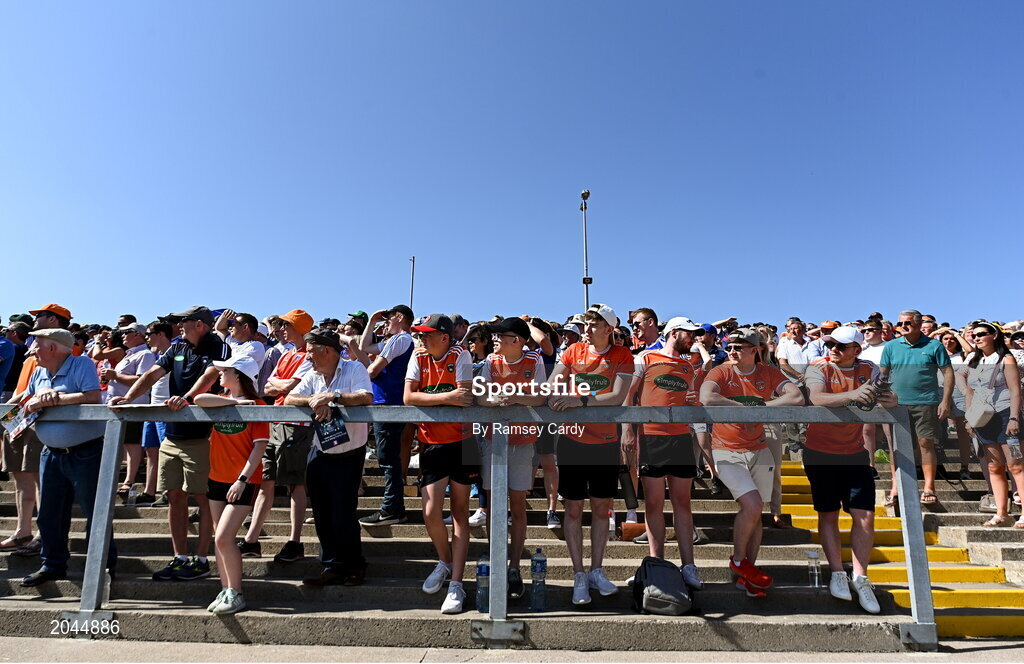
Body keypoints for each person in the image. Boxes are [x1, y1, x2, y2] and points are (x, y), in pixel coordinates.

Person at [109, 305, 229, 581]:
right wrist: (129, 398)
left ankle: (200, 558)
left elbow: (211, 375)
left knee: (203, 497)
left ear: (200, 324)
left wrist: (186, 397)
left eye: (183, 321)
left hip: (203, 435)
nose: (178, 326)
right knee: (174, 496)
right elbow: (152, 375)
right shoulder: (176, 347)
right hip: (173, 434)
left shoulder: (217, 345)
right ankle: (180, 557)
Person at [699, 328, 803, 598]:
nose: (732, 351)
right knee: (753, 505)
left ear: (755, 350)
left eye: (739, 347)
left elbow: (796, 397)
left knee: (757, 513)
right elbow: (706, 397)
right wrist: (743, 407)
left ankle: (748, 573)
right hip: (726, 450)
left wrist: (764, 409)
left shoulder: (768, 372)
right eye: (730, 346)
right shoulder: (722, 370)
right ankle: (737, 560)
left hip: (758, 448)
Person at [12, 329, 115, 587]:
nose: (33, 350)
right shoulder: (38, 371)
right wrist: (35, 398)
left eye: (37, 346)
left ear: (53, 348)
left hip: (86, 452)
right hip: (52, 453)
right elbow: (26, 403)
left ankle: (103, 567)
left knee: (96, 512)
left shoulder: (82, 363)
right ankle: (52, 565)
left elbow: (92, 397)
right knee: (49, 514)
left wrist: (54, 399)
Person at [546, 303, 634, 606]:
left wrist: (579, 400)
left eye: (594, 323)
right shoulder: (572, 352)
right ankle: (579, 574)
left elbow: (617, 396)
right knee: (572, 510)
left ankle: (597, 570)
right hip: (572, 440)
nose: (587, 327)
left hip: (606, 442)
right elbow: (553, 381)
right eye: (586, 323)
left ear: (609, 329)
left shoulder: (622, 355)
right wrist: (555, 391)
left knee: (601, 509)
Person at [804, 326, 893, 614]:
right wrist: (856, 394)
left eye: (842, 346)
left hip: (855, 452)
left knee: (865, 516)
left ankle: (860, 576)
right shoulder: (818, 366)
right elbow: (817, 398)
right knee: (828, 514)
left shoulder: (870, 368)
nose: (834, 349)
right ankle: (836, 572)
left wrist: (888, 399)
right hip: (820, 451)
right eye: (831, 344)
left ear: (857, 349)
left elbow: (890, 398)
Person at [286, 329, 374, 587]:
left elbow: (365, 396)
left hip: (350, 452)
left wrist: (333, 397)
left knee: (343, 513)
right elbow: (291, 397)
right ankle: (331, 566)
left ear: (327, 350)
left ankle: (355, 565)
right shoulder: (312, 375)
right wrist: (315, 400)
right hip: (320, 451)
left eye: (311, 351)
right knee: (323, 513)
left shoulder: (354, 368)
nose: (307, 356)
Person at [403, 314, 476, 613]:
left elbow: (466, 397)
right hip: (431, 442)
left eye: (428, 334)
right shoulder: (418, 357)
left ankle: (457, 582)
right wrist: (447, 397)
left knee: (459, 511)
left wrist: (431, 398)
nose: (422, 339)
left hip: (462, 442)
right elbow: (408, 398)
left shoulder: (462, 354)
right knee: (431, 512)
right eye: (420, 334)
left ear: (445, 337)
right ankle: (444, 561)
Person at [628, 316, 706, 590]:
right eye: (690, 334)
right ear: (674, 333)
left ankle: (689, 566)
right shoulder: (646, 357)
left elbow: (692, 400)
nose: (694, 338)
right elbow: (630, 395)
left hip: (681, 438)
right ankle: (655, 564)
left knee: (683, 503)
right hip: (651, 438)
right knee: (653, 503)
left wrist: (694, 405)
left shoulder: (688, 365)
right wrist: (628, 430)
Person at [476, 316, 547, 599]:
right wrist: (493, 399)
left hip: (523, 442)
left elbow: (540, 396)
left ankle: (514, 567)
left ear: (516, 340)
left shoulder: (534, 361)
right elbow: (481, 395)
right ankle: (497, 564)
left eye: (500, 335)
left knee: (518, 505)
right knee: (494, 506)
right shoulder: (492, 361)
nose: (494, 339)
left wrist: (514, 396)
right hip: (494, 442)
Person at [195, 355, 269, 614]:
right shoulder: (223, 401)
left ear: (238, 375)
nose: (220, 375)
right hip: (217, 478)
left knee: (226, 536)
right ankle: (225, 589)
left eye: (225, 371)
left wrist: (242, 479)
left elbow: (259, 448)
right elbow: (198, 399)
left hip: (242, 481)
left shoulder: (258, 405)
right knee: (219, 539)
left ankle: (236, 592)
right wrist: (235, 401)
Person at [241, 309, 315, 561]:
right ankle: (251, 540)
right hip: (276, 420)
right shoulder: (287, 354)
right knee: (266, 481)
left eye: (287, 325)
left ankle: (295, 542)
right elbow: (269, 386)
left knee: (295, 483)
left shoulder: (308, 354)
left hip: (296, 424)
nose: (282, 329)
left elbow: (288, 386)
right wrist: (283, 384)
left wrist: (282, 384)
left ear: (300, 328)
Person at [878, 310, 954, 505]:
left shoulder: (934, 345)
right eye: (900, 323)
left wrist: (945, 400)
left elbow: (948, 373)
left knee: (926, 443)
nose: (903, 326)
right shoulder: (891, 346)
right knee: (898, 447)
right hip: (896, 404)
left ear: (919, 324)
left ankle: (929, 487)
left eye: (908, 323)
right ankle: (896, 486)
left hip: (926, 402)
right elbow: (882, 376)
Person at [356, 305, 415, 527]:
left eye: (389, 318)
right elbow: (365, 346)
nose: (386, 322)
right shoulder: (399, 340)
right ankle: (394, 507)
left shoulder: (399, 339)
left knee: (389, 459)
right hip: (387, 402)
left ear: (400, 318)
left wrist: (359, 381)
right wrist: (371, 321)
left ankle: (392, 508)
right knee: (388, 458)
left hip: (389, 403)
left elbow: (373, 370)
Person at [961, 322, 1023, 528]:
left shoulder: (1006, 358)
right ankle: (1001, 512)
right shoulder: (976, 361)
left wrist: (1014, 417)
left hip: (1006, 414)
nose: (976, 338)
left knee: (1016, 465)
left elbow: (1015, 390)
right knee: (994, 467)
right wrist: (969, 418)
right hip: (984, 419)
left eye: (981, 334)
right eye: (974, 335)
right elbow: (970, 391)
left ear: (994, 335)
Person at [103, 323, 158, 504]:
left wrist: (115, 376)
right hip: (120, 408)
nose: (122, 336)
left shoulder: (146, 354)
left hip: (134, 408)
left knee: (132, 444)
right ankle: (126, 479)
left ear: (137, 335)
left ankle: (129, 480)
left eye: (126, 332)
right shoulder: (130, 355)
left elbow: (142, 380)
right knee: (126, 444)